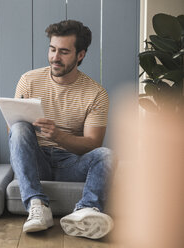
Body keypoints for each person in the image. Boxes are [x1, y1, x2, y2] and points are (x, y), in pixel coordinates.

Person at [9, 20, 114, 239]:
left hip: (72, 163)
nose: (55, 57)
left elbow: (93, 143)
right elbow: (13, 136)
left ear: (81, 55)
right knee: (19, 128)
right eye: (52, 49)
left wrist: (58, 136)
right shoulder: (29, 81)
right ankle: (37, 206)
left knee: (106, 155)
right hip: (36, 160)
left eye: (64, 52)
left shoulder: (96, 93)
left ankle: (85, 211)